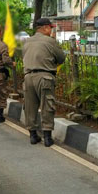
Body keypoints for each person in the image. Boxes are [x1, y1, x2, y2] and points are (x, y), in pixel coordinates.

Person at [23, 18, 65, 147]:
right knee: (47, 105)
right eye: (51, 28)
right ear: (46, 28)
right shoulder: (50, 41)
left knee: (30, 107)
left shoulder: (27, 41)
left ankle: (33, 135)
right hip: (45, 77)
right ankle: (47, 137)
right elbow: (61, 58)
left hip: (28, 77)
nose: (51, 30)